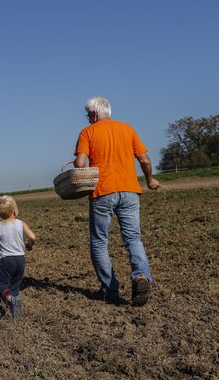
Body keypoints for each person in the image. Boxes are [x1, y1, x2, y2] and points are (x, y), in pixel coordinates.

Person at [73, 96, 161, 306]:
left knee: (99, 241)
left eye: (88, 115)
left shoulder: (87, 132)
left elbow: (80, 163)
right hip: (130, 191)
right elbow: (145, 159)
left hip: (102, 192)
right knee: (133, 238)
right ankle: (141, 276)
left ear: (94, 114)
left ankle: (110, 289)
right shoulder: (127, 129)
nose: (87, 119)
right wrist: (149, 180)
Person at [0, 195, 37, 318]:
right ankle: (18, 316)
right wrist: (30, 245)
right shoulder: (21, 223)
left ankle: (10, 299)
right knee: (15, 288)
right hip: (20, 259)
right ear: (14, 211)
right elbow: (32, 237)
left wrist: (2, 246)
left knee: (0, 284)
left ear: (0, 214)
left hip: (7, 260)